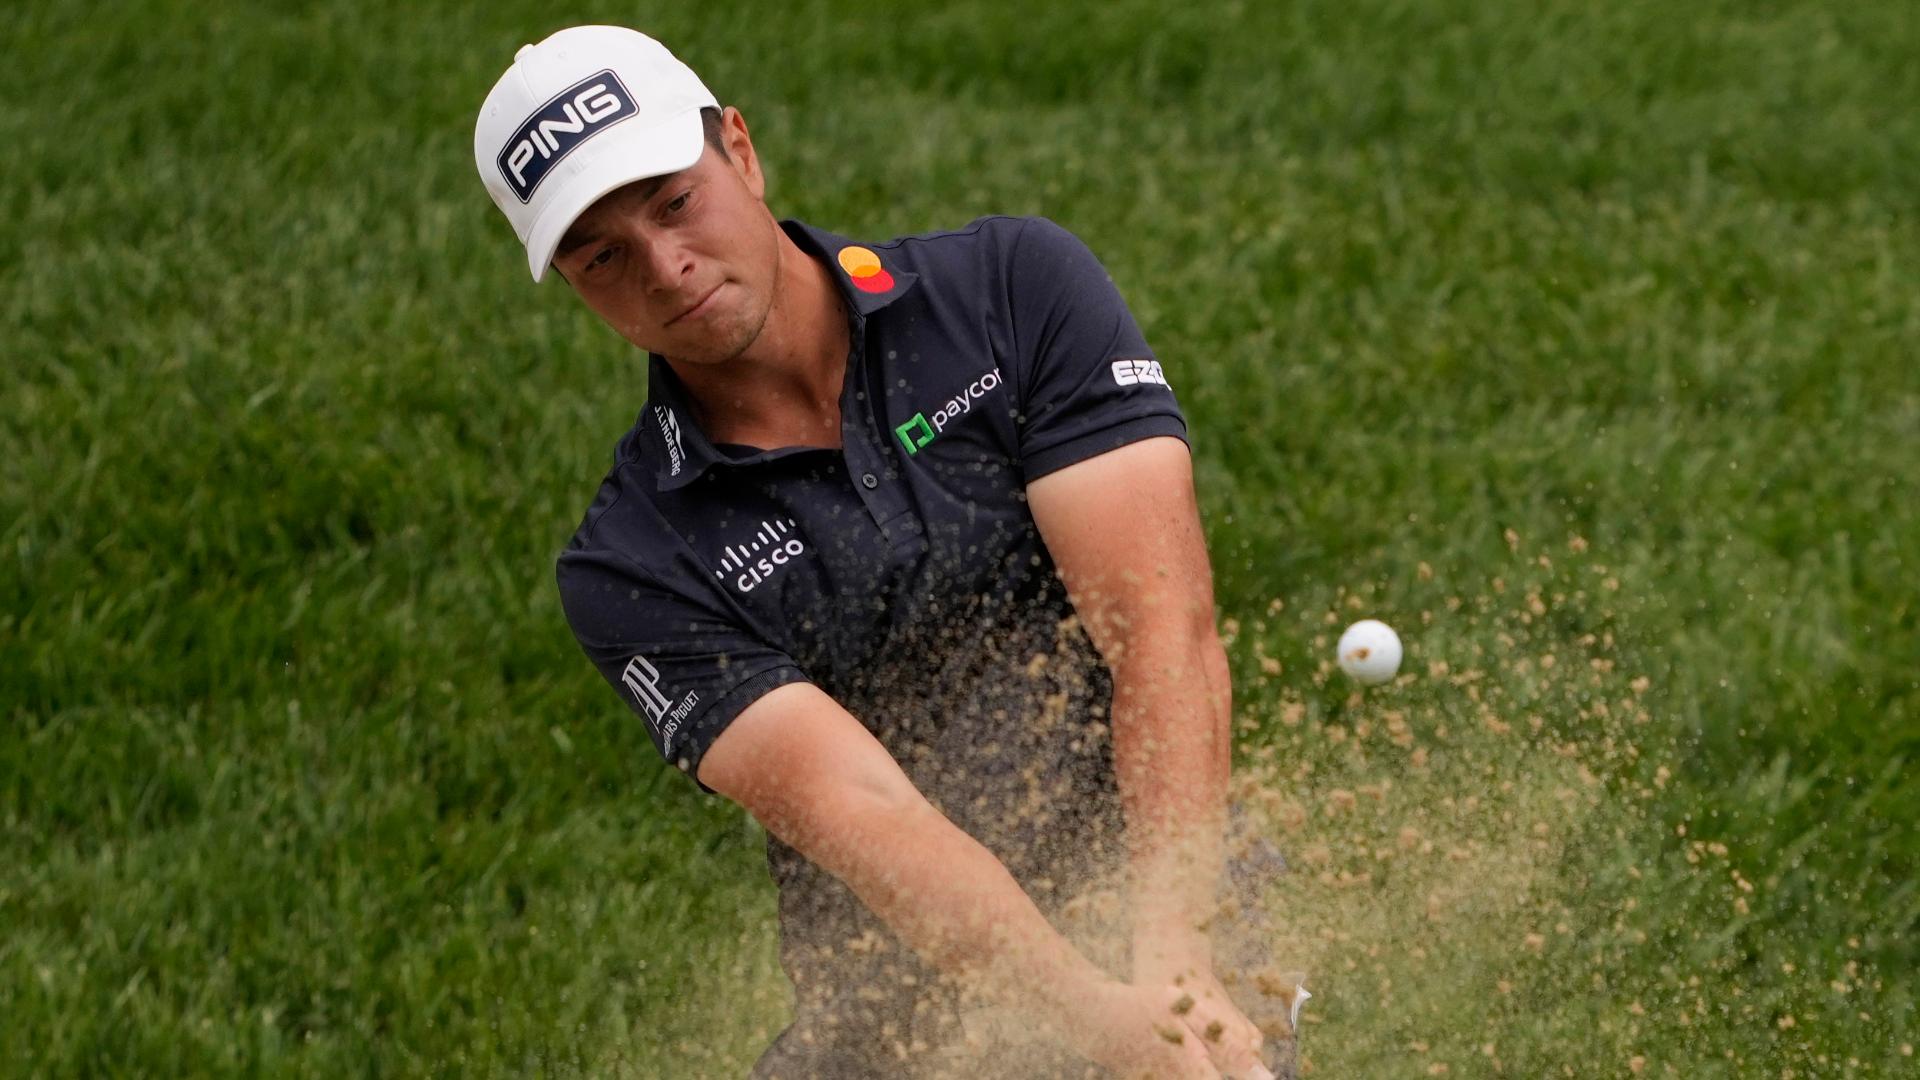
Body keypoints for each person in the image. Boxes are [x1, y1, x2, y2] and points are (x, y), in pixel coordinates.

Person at [473, 25, 1301, 1079]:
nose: (666, 267)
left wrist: (1177, 976)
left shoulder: (1010, 294)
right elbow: (869, 814)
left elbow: (1160, 635)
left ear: (740, 149)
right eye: (602, 256)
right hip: (904, 995)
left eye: (674, 203)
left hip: (1165, 885)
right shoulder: (634, 563)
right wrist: (1098, 1022)